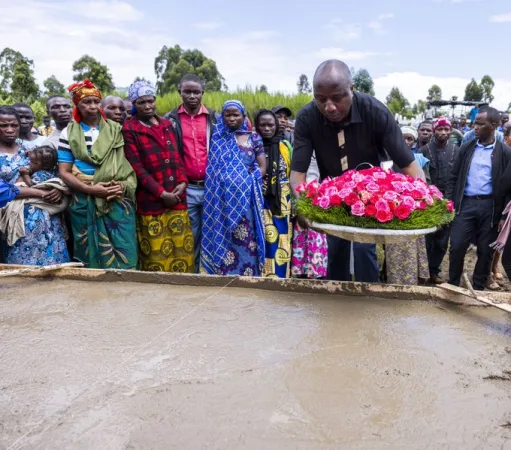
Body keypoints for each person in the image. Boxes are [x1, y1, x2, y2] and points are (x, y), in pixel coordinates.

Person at [290, 59, 424, 283]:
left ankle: (369, 303)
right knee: (336, 250)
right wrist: (303, 205)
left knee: (364, 251)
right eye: (320, 99)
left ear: (352, 90)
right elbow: (298, 175)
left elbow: (411, 166)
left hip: (370, 198)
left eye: (337, 97)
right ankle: (338, 299)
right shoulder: (307, 118)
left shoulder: (375, 112)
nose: (329, 107)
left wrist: (419, 203)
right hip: (332, 199)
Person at [58, 79, 138, 269]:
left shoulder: (116, 129)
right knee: (88, 253)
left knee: (125, 249)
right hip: (84, 199)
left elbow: (125, 165)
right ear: (77, 105)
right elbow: (64, 172)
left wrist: (122, 186)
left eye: (96, 101)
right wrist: (91, 189)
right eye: (87, 102)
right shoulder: (68, 133)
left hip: (116, 196)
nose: (92, 106)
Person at [123, 80, 194, 273]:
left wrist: (182, 182)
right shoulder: (130, 128)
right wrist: (162, 193)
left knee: (182, 250)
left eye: (150, 101)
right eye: (141, 102)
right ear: (134, 105)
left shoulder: (166, 124)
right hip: (151, 201)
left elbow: (177, 157)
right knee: (156, 254)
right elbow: (137, 167)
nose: (147, 106)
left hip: (178, 197)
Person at [447, 107, 511, 290]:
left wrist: (503, 216)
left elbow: (509, 188)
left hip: (490, 207)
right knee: (457, 245)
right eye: (475, 123)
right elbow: (453, 177)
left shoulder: (505, 153)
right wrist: (449, 203)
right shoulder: (467, 147)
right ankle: (453, 284)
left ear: (493, 126)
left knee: (486, 250)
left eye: (480, 124)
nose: (474, 127)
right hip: (465, 204)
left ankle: (478, 286)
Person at [201, 100, 266, 276]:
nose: (231, 118)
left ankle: (249, 276)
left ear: (243, 117)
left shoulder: (254, 138)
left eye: (235, 114)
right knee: (224, 240)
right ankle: (223, 276)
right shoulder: (217, 138)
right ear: (222, 117)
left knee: (247, 240)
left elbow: (262, 167)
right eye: (227, 115)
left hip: (246, 204)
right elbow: (213, 171)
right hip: (221, 202)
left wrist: (249, 180)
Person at [0, 106, 69, 265]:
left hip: (47, 218)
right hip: (15, 220)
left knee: (54, 266)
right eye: (3, 125)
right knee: (23, 269)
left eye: (14, 125)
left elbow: (53, 175)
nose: (10, 130)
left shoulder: (29, 150)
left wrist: (57, 190)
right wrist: (39, 193)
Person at [164, 74, 219, 272]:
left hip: (212, 187)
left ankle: (213, 275)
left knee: (213, 234)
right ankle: (193, 276)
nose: (192, 96)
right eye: (187, 92)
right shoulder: (170, 120)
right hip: (186, 188)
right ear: (180, 93)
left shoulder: (215, 118)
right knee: (190, 235)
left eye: (196, 92)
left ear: (202, 93)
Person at [384, 127, 430, 285]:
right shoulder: (387, 161)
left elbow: (425, 184)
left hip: (413, 212)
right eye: (403, 138)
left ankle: (413, 281)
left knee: (412, 248)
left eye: (410, 139)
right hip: (392, 211)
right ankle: (392, 280)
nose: (406, 142)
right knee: (393, 249)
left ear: (414, 142)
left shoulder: (418, 160)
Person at [419, 117, 459, 284]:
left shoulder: (457, 151)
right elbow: (421, 178)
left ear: (450, 131)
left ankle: (434, 271)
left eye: (446, 129)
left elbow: (456, 177)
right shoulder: (424, 151)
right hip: (428, 201)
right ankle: (423, 272)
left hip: (448, 201)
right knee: (427, 238)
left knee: (443, 241)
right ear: (434, 131)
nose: (443, 132)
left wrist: (449, 200)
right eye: (440, 129)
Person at [254, 109, 293, 278]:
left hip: (282, 200)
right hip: (258, 199)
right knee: (262, 239)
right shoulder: (252, 145)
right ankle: (261, 278)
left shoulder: (285, 146)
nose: (267, 128)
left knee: (282, 239)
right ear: (257, 126)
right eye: (262, 125)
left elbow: (292, 173)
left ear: (276, 125)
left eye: (270, 124)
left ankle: (281, 279)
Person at [290, 152, 329, 279]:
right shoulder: (297, 152)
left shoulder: (319, 152)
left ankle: (316, 275)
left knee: (316, 241)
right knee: (301, 243)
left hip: (317, 205)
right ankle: (301, 276)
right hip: (301, 204)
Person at [493, 125, 511, 280]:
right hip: (502, 206)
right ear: (506, 139)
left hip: (501, 204)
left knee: (508, 260)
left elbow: (505, 183)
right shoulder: (500, 154)